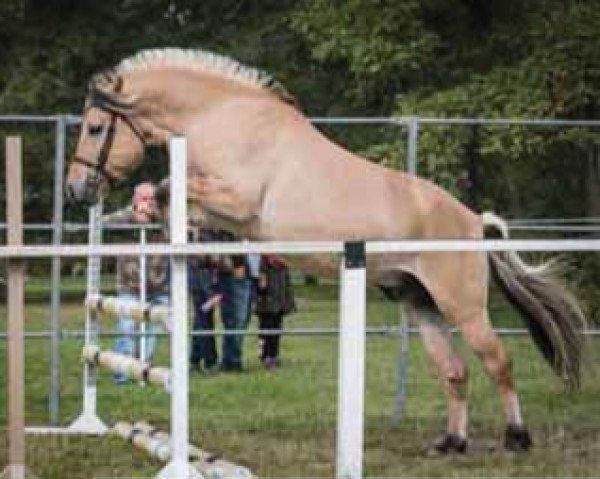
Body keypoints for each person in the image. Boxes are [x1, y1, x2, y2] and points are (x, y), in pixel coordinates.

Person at [103, 182, 169, 384]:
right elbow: (103, 223)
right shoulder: (124, 216)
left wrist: (153, 216)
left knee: (151, 332)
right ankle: (121, 374)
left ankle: (143, 371)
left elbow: (176, 227)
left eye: (151, 199)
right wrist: (133, 216)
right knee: (127, 329)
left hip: (158, 286)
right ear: (134, 199)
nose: (147, 203)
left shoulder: (165, 217)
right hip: (130, 286)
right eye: (143, 198)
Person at [189, 229, 252, 373]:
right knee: (207, 316)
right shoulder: (205, 226)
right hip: (217, 271)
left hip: (229, 271)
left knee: (235, 318)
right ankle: (220, 361)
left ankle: (208, 360)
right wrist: (237, 263)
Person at [255, 254, 296, 369]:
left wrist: (288, 302)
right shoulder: (262, 264)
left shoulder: (282, 264)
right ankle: (265, 355)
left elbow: (287, 285)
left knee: (277, 330)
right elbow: (260, 287)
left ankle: (274, 355)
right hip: (266, 305)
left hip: (279, 303)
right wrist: (261, 284)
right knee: (266, 330)